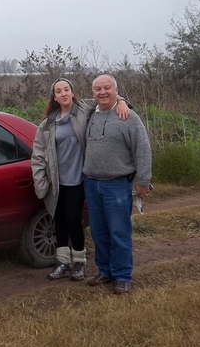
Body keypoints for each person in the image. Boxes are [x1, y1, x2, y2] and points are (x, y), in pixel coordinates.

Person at [31, 78, 129, 281]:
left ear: (72, 92)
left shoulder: (84, 109)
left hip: (78, 179)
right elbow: (38, 155)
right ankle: (62, 262)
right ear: (55, 97)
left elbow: (105, 98)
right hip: (57, 182)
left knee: (74, 220)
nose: (63, 93)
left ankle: (79, 262)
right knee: (59, 221)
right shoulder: (48, 123)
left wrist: (121, 101)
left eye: (66, 89)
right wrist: (40, 182)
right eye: (59, 91)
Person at [83, 74, 152, 294]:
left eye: (107, 88)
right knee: (99, 232)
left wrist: (144, 181)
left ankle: (123, 275)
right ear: (93, 93)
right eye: (97, 89)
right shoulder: (91, 115)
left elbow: (142, 149)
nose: (102, 92)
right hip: (92, 184)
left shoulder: (128, 117)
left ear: (116, 90)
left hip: (117, 185)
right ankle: (105, 271)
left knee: (119, 232)